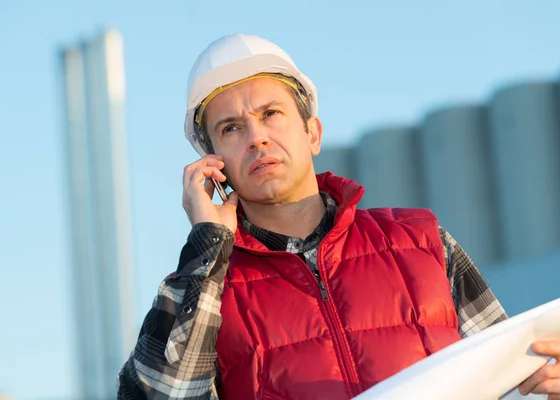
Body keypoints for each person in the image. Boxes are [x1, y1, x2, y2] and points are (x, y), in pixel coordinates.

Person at [117, 34, 560, 399]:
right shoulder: (205, 291)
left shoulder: (423, 242)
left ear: (312, 133)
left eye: (271, 114)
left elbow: (516, 374)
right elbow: (158, 395)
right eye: (231, 128)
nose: (256, 138)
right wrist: (207, 245)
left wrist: (549, 383)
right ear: (216, 164)